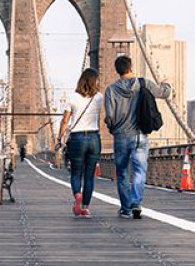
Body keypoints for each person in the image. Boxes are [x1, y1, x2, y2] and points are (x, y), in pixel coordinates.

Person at [104, 55, 172, 220]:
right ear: (131, 67)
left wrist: (114, 129)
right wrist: (166, 84)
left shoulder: (111, 90)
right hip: (140, 136)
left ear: (117, 70)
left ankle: (126, 209)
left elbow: (110, 117)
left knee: (122, 173)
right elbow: (165, 93)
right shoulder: (144, 83)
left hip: (121, 136)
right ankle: (136, 202)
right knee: (139, 171)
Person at [57, 69, 104, 218]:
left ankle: (78, 194)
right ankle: (85, 207)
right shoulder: (98, 97)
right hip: (94, 138)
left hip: (77, 138)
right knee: (89, 176)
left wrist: (59, 138)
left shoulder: (72, 97)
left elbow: (65, 121)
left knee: (76, 173)